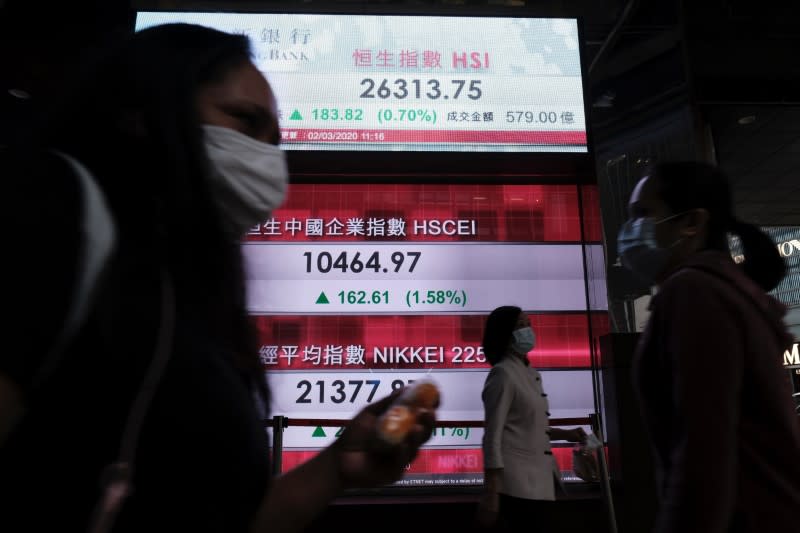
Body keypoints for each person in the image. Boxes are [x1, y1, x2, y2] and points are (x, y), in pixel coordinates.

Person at [0, 24, 434, 533]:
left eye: (274, 141)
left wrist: (339, 466)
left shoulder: (190, 293)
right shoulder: (51, 209)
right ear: (144, 109)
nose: (265, 160)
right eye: (243, 122)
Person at [618, 161, 800, 533]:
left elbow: (704, 448)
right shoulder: (724, 290)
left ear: (692, 223)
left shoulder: (694, 293)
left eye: (643, 214)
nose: (630, 231)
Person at [476, 305, 586, 531]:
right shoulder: (503, 374)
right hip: (517, 485)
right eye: (520, 326)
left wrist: (566, 434)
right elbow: (493, 436)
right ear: (506, 334)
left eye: (528, 324)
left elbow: (528, 424)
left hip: (539, 481)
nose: (528, 330)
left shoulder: (530, 373)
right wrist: (492, 491)